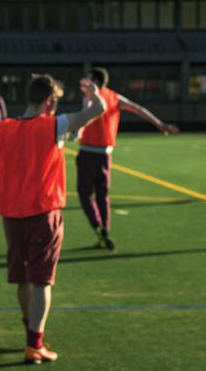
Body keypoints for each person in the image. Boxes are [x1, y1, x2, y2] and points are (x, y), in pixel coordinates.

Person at [0, 74, 105, 364]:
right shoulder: (54, 125)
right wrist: (93, 92)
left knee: (23, 278)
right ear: (48, 101)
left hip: (11, 215)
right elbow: (97, 110)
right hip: (43, 213)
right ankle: (34, 344)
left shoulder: (5, 128)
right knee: (41, 281)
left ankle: (30, 329)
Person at [76, 67, 178, 250]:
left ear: (96, 82)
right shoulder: (115, 97)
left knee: (85, 195)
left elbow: (85, 115)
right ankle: (104, 232)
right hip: (105, 155)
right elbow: (138, 109)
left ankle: (98, 228)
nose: (85, 83)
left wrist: (76, 131)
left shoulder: (90, 98)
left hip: (88, 152)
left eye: (89, 80)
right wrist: (159, 124)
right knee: (102, 196)